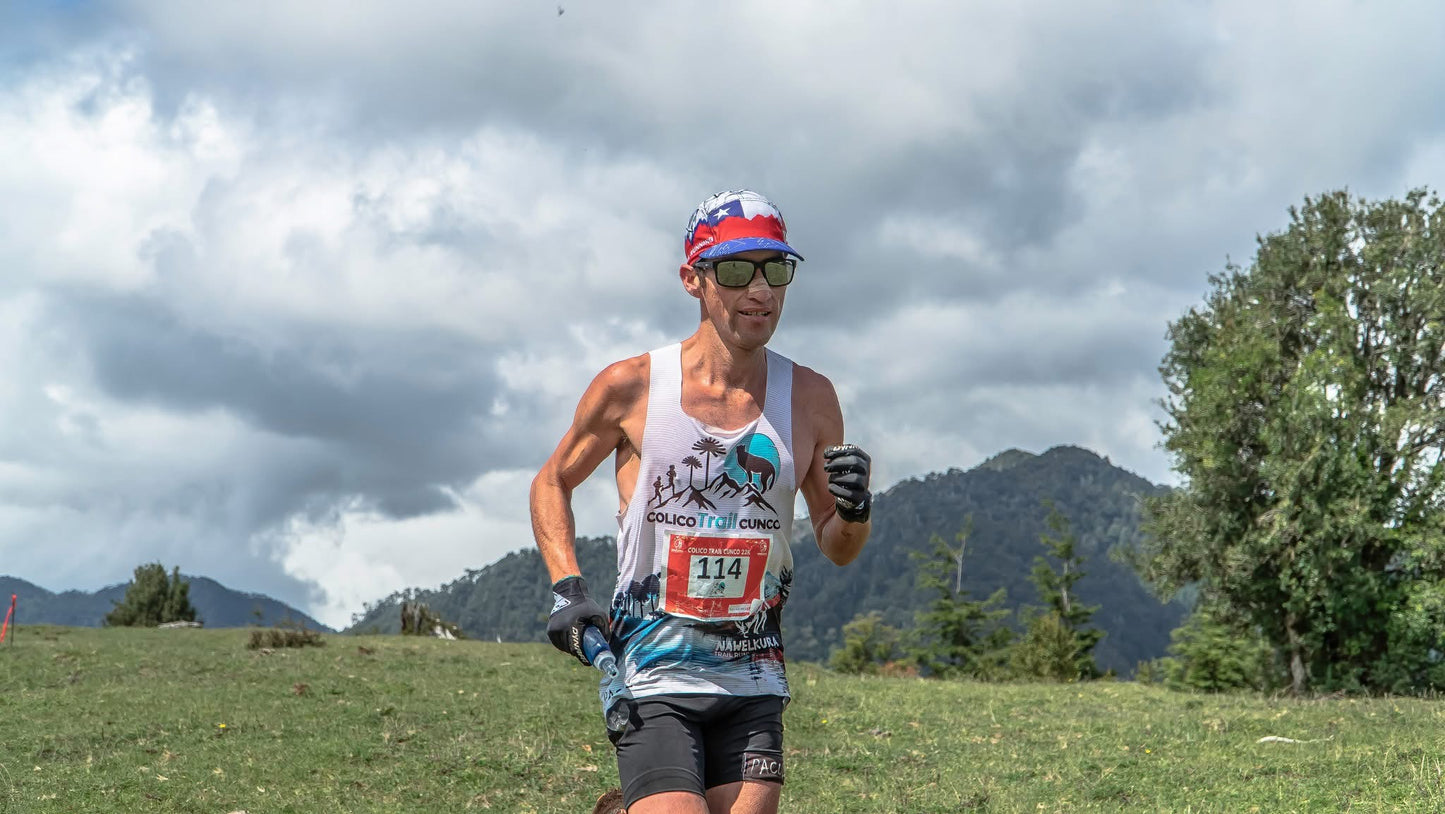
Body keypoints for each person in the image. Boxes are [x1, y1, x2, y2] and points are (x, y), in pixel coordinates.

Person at [531, 189, 873, 814]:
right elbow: (550, 482)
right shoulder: (632, 387)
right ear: (694, 278)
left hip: (754, 667)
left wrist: (852, 511)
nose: (761, 290)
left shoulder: (813, 397)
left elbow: (837, 544)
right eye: (739, 270)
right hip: (653, 668)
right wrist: (567, 589)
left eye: (777, 270)